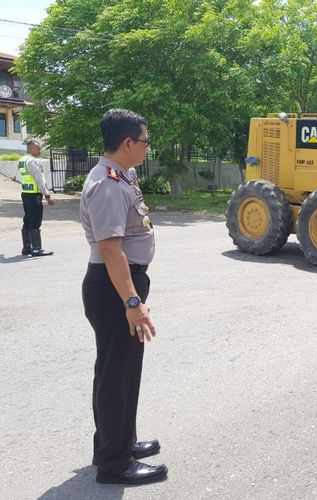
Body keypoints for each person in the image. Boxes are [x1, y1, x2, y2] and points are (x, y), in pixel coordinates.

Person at [80, 109, 167, 485]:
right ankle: (114, 464)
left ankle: (120, 443)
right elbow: (112, 251)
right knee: (116, 375)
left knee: (122, 372)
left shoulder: (123, 175)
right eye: (146, 141)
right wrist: (132, 303)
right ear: (128, 143)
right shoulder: (108, 185)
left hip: (123, 283)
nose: (148, 148)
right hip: (115, 287)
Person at [18, 139, 54, 256]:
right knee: (35, 221)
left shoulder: (23, 160)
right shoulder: (32, 161)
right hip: (34, 194)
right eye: (38, 148)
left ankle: (27, 247)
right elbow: (39, 179)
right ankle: (37, 249)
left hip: (25, 193)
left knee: (27, 219)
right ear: (30, 148)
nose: (40, 150)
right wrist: (47, 196)